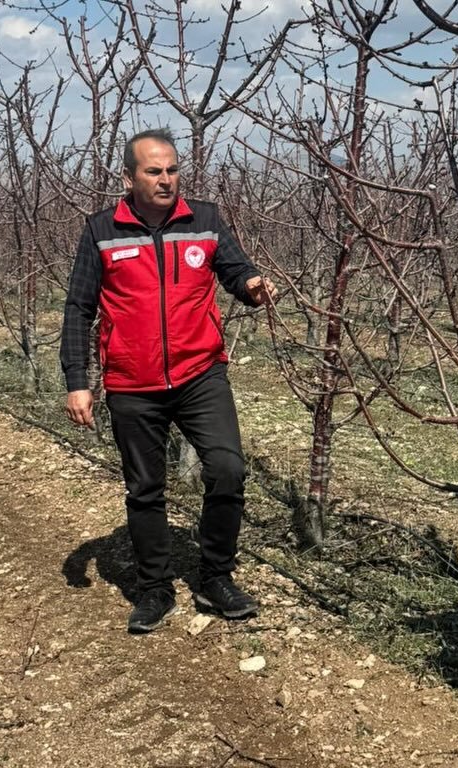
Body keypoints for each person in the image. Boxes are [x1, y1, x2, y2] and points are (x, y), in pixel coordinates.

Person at [60, 128, 276, 634]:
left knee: (227, 469)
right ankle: (155, 588)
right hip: (132, 381)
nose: (165, 180)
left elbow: (235, 269)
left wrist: (251, 285)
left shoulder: (205, 219)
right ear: (129, 178)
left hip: (200, 371)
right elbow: (78, 308)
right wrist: (77, 380)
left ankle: (216, 577)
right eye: (153, 171)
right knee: (145, 488)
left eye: (172, 170)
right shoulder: (101, 230)